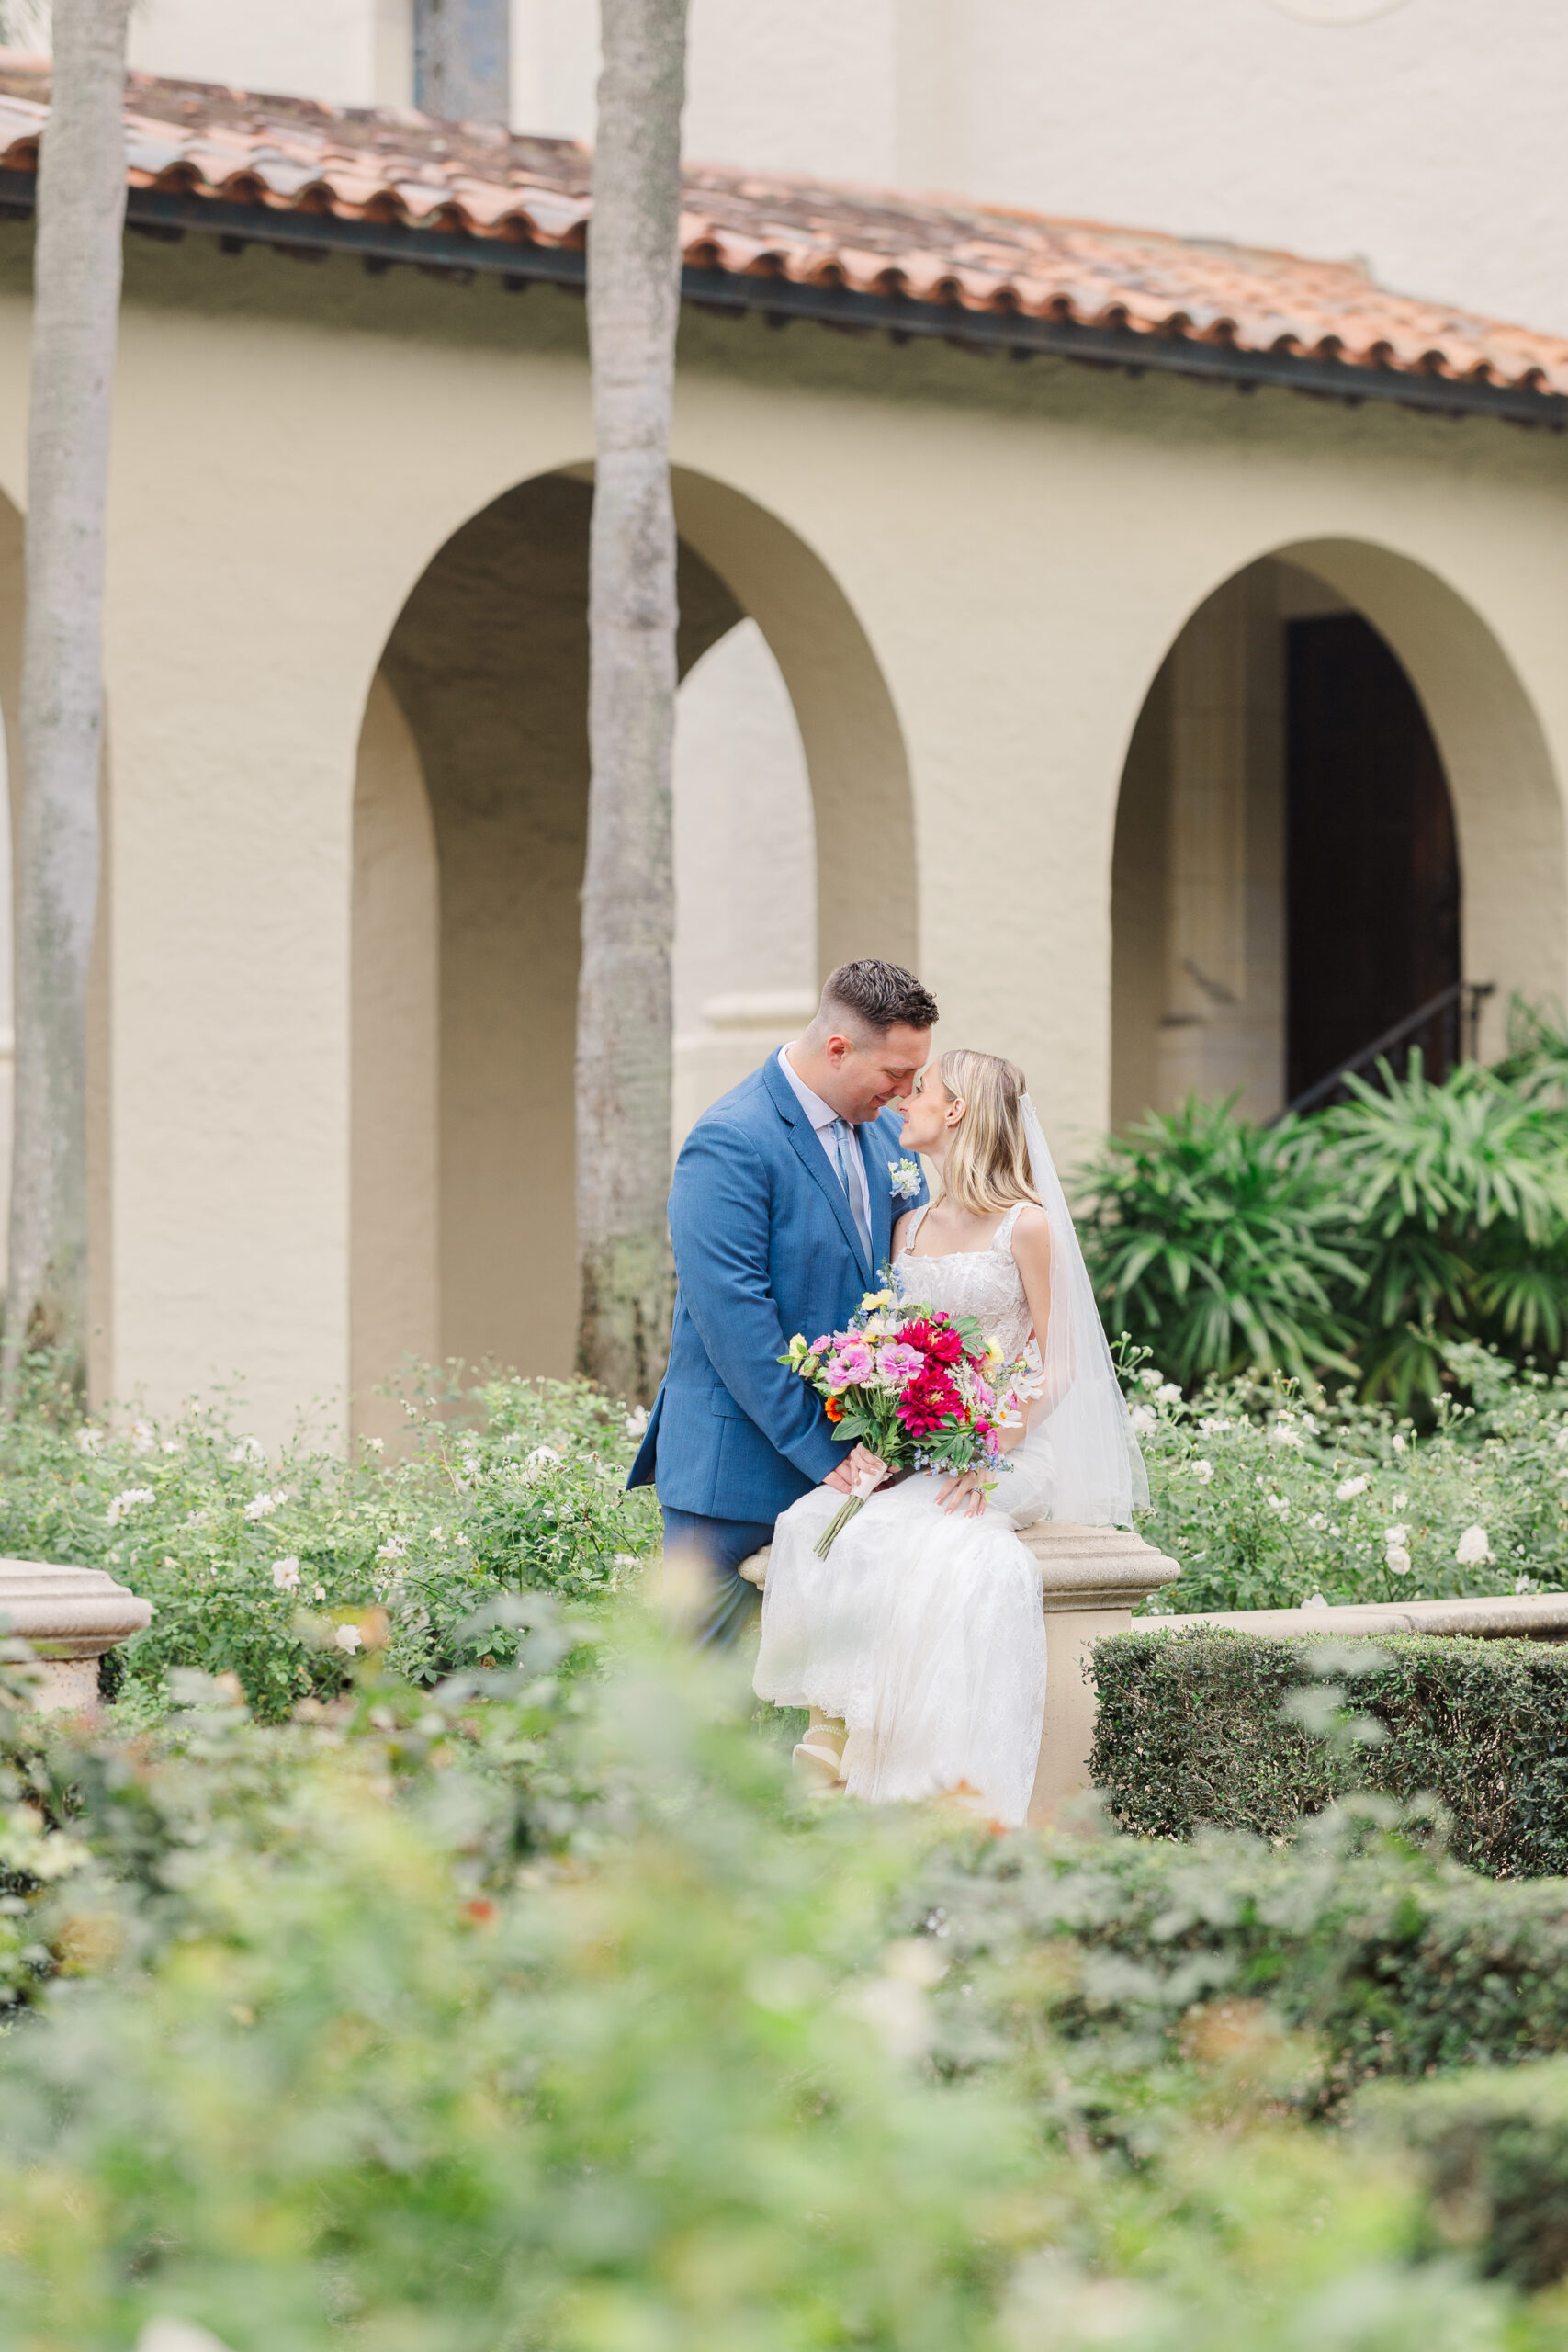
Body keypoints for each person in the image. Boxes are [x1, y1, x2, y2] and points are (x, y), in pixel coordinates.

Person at [752, 1050, 1148, 1826]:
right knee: (809, 1526)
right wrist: (879, 1428)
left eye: (922, 1090)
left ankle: (867, 1749)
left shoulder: (1024, 1226)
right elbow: (891, 1346)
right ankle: (829, 1724)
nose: (906, 1100)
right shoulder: (909, 1226)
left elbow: (1058, 1357)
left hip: (1003, 1452)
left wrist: (993, 1436)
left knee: (927, 1542)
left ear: (958, 1109)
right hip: (918, 1447)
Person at [628, 958, 938, 1647]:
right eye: (894, 1074)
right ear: (837, 1049)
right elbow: (732, 1316)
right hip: (734, 1480)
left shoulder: (889, 1136)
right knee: (699, 1710)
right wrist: (816, 1446)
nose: (907, 1092)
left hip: (860, 1475)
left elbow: (910, 1282)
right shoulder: (731, 1141)